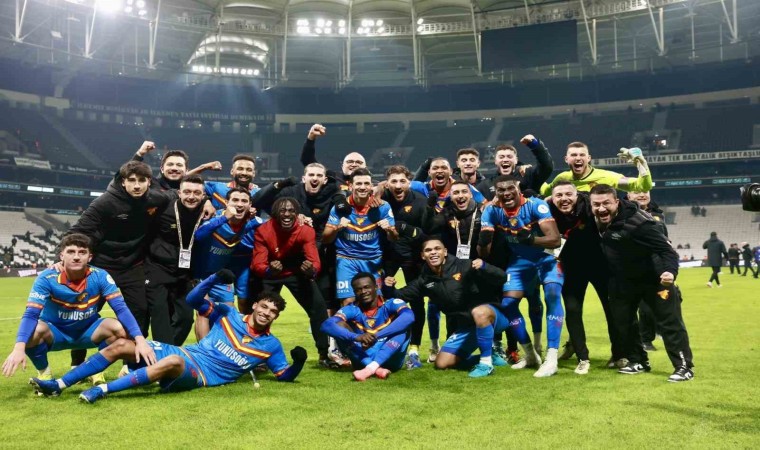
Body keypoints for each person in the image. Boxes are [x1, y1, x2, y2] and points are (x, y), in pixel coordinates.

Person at [29, 270, 307, 403]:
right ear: (255, 305)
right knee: (122, 344)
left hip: (202, 375)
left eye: (273, 312)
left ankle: (102, 391)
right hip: (188, 354)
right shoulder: (228, 313)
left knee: (172, 361)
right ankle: (59, 384)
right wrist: (211, 279)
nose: (266, 313)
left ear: (276, 317)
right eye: (264, 307)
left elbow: (283, 376)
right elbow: (193, 299)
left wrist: (298, 363)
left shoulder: (271, 345)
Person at [67, 160, 174, 374]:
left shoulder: (156, 199)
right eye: (131, 180)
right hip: (100, 267)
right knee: (85, 313)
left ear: (149, 182)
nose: (137, 185)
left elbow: (177, 194)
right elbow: (77, 231)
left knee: (139, 311)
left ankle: (130, 363)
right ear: (123, 182)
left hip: (132, 266)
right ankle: (77, 362)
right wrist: (63, 259)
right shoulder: (104, 202)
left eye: (142, 180)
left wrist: (206, 202)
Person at [2, 234, 154, 381]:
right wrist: (19, 347)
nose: (76, 257)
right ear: (61, 256)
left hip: (88, 330)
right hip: (56, 332)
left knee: (118, 328)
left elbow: (121, 309)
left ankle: (96, 369)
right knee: (32, 332)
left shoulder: (100, 276)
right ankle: (44, 373)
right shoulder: (46, 278)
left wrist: (140, 340)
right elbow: (31, 314)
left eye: (82, 252)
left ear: (90, 257)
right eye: (71, 252)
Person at [589, 184, 694, 382]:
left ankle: (684, 366)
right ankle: (638, 360)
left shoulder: (640, 223)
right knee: (623, 321)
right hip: (622, 280)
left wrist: (670, 272)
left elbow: (667, 250)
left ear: (617, 202)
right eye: (596, 204)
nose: (601, 208)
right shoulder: (593, 218)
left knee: (669, 322)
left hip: (653, 278)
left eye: (606, 203)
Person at [383, 238, 510, 378]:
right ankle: (490, 355)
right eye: (428, 250)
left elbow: (502, 277)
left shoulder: (464, 265)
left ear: (445, 252)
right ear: (423, 256)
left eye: (437, 248)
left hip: (493, 317)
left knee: (479, 312)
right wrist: (388, 287)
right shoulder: (424, 281)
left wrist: (485, 266)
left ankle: (486, 364)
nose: (433, 252)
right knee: (442, 363)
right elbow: (399, 296)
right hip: (466, 326)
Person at [479, 175, 563, 377]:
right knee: (508, 305)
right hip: (519, 262)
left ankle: (551, 358)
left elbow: (555, 240)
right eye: (501, 190)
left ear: (518, 189)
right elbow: (484, 253)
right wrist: (483, 242)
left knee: (552, 295)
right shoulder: (491, 211)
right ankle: (531, 354)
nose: (506, 193)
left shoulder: (536, 205)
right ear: (496, 193)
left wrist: (532, 240)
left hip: (547, 259)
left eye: (510, 188)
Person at [548, 181, 624, 374]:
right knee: (573, 311)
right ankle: (583, 358)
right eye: (559, 195)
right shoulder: (546, 209)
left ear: (577, 195)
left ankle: (618, 354)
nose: (564, 199)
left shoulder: (590, 206)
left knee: (612, 310)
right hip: (572, 268)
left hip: (600, 266)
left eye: (568, 194)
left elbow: (619, 208)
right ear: (552, 198)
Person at [251, 197, 330, 366]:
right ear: (274, 213)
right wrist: (269, 270)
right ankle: (256, 356)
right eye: (282, 210)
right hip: (272, 275)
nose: (287, 214)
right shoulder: (264, 231)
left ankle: (324, 354)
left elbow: (314, 260)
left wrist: (311, 270)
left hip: (297, 273)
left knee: (319, 309)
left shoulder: (305, 230)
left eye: (291, 211)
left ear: (297, 213)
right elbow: (257, 264)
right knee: (261, 312)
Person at [374, 165, 428, 369]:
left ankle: (414, 349)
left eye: (402, 181)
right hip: (386, 257)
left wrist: (405, 229)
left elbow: (426, 234)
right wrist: (377, 189)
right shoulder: (379, 198)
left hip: (413, 258)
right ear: (387, 183)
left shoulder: (420, 202)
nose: (398, 185)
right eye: (393, 181)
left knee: (417, 302)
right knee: (381, 300)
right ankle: (381, 343)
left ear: (409, 182)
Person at [192, 187, 264, 338]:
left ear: (250, 205)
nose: (239, 204)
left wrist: (302, 218)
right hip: (199, 274)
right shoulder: (216, 218)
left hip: (220, 275)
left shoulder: (249, 222)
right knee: (203, 312)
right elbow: (198, 236)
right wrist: (224, 218)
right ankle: (204, 351)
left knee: (229, 314)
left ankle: (225, 349)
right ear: (226, 202)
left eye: (244, 201)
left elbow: (273, 223)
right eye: (235, 200)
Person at [144, 174, 206, 346]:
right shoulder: (163, 208)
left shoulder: (206, 212)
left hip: (183, 274)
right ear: (179, 193)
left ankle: (168, 351)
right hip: (157, 269)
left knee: (186, 319)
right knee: (160, 317)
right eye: (187, 192)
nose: (191, 196)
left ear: (203, 195)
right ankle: (163, 356)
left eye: (196, 193)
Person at [322, 168, 398, 305]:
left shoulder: (382, 206)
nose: (362, 187)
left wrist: (390, 230)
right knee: (349, 301)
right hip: (346, 259)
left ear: (371, 186)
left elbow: (394, 238)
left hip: (373, 260)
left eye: (366, 183)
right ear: (350, 186)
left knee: (375, 303)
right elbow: (325, 238)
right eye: (358, 183)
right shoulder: (340, 208)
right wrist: (337, 227)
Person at [321, 272, 414, 381]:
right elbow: (326, 325)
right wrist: (356, 337)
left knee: (403, 326)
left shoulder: (391, 303)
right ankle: (374, 367)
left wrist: (376, 336)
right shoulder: (351, 309)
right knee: (339, 326)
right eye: (358, 290)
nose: (363, 292)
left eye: (366, 287)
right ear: (354, 292)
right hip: (362, 357)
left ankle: (370, 368)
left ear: (376, 287)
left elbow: (409, 317)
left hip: (390, 357)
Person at [627, 190, 668, 353]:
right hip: (636, 267)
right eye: (636, 192)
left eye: (645, 191)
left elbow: (665, 240)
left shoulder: (658, 214)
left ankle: (659, 331)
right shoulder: (624, 213)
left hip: (659, 267)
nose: (642, 195)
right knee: (645, 307)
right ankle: (645, 339)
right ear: (628, 196)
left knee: (666, 300)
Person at [540, 142, 653, 197]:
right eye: (574, 155)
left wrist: (641, 164)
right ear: (566, 159)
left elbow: (642, 186)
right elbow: (545, 191)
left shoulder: (606, 177)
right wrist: (532, 172)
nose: (578, 158)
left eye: (582, 155)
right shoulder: (562, 178)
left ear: (589, 158)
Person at [479, 135, 554, 199]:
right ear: (495, 161)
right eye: (501, 157)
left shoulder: (527, 174)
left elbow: (547, 167)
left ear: (516, 160)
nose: (505, 160)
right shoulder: (486, 185)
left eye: (509, 156)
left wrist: (535, 145)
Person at [300, 123, 366, 191]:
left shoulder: (372, 183)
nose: (354, 164)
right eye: (350, 162)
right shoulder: (332, 178)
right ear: (342, 166)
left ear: (365, 168)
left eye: (359, 162)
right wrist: (311, 137)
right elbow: (308, 161)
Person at [195, 154, 260, 209]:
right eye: (240, 169)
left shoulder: (259, 193)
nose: (244, 173)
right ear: (232, 171)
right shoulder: (217, 188)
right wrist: (204, 167)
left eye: (249, 170)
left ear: (254, 173)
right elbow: (189, 181)